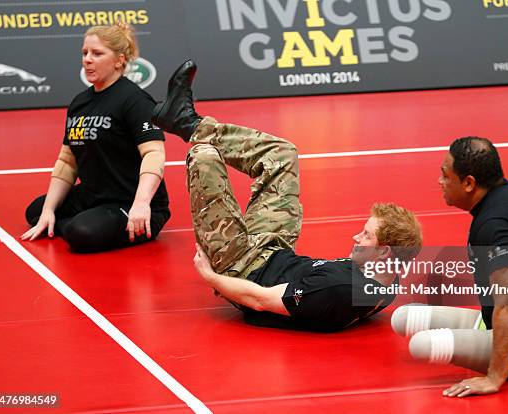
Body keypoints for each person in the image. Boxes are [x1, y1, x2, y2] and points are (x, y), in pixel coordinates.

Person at [151, 60, 423, 331]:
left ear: (385, 251)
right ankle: (186, 122)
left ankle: (185, 123)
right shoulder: (389, 278)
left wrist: (211, 277)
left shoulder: (336, 289)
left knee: (204, 156)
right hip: (274, 249)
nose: (356, 237)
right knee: (283, 155)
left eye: (366, 235)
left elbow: (258, 300)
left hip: (239, 265)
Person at [391, 137, 508, 396]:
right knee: (403, 317)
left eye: (445, 175)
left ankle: (505, 363)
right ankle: (488, 336)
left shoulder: (497, 225)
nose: (439, 182)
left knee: (422, 345)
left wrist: (493, 378)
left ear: (469, 183)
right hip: (507, 322)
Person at [21, 22, 170, 252]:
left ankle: (75, 227)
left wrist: (141, 205)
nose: (87, 59)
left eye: (97, 53)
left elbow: (154, 153)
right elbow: (67, 162)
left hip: (131, 202)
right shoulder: (79, 103)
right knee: (37, 211)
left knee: (82, 233)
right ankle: (66, 223)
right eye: (85, 53)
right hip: (94, 194)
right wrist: (49, 210)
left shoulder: (135, 100)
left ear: (119, 60)